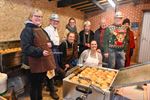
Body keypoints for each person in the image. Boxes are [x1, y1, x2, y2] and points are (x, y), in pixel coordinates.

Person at [20, 9, 56, 100]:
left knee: (40, 85)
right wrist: (40, 52)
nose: (38, 18)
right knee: (34, 86)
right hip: (33, 64)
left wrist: (50, 43)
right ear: (31, 17)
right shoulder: (27, 30)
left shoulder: (41, 29)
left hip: (42, 63)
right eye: (36, 16)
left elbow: (48, 40)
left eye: (40, 16)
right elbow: (26, 47)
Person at [44, 13, 60, 99]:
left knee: (53, 69)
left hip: (55, 50)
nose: (56, 22)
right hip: (50, 51)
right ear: (50, 21)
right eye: (54, 21)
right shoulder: (47, 29)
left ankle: (49, 86)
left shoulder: (55, 29)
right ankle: (52, 91)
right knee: (50, 71)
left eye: (57, 21)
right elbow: (47, 42)